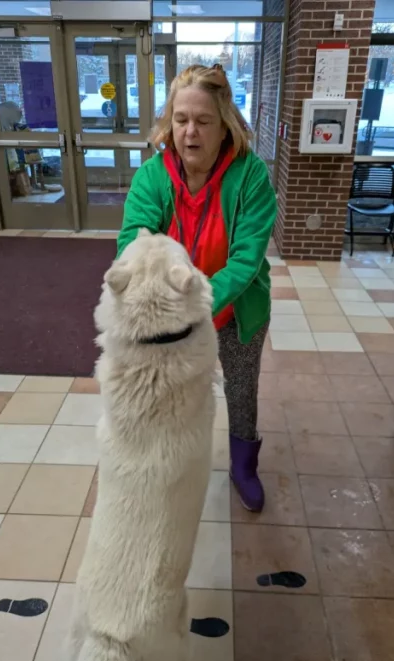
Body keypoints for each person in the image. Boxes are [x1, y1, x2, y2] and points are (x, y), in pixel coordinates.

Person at [115, 64, 276, 513]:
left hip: (235, 308)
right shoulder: (153, 176)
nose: (190, 133)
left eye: (203, 121)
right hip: (171, 311)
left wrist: (196, 303)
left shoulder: (252, 177)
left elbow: (246, 260)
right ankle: (169, 462)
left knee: (241, 388)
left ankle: (243, 465)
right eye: (181, 119)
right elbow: (133, 241)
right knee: (172, 388)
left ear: (225, 126)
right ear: (170, 121)